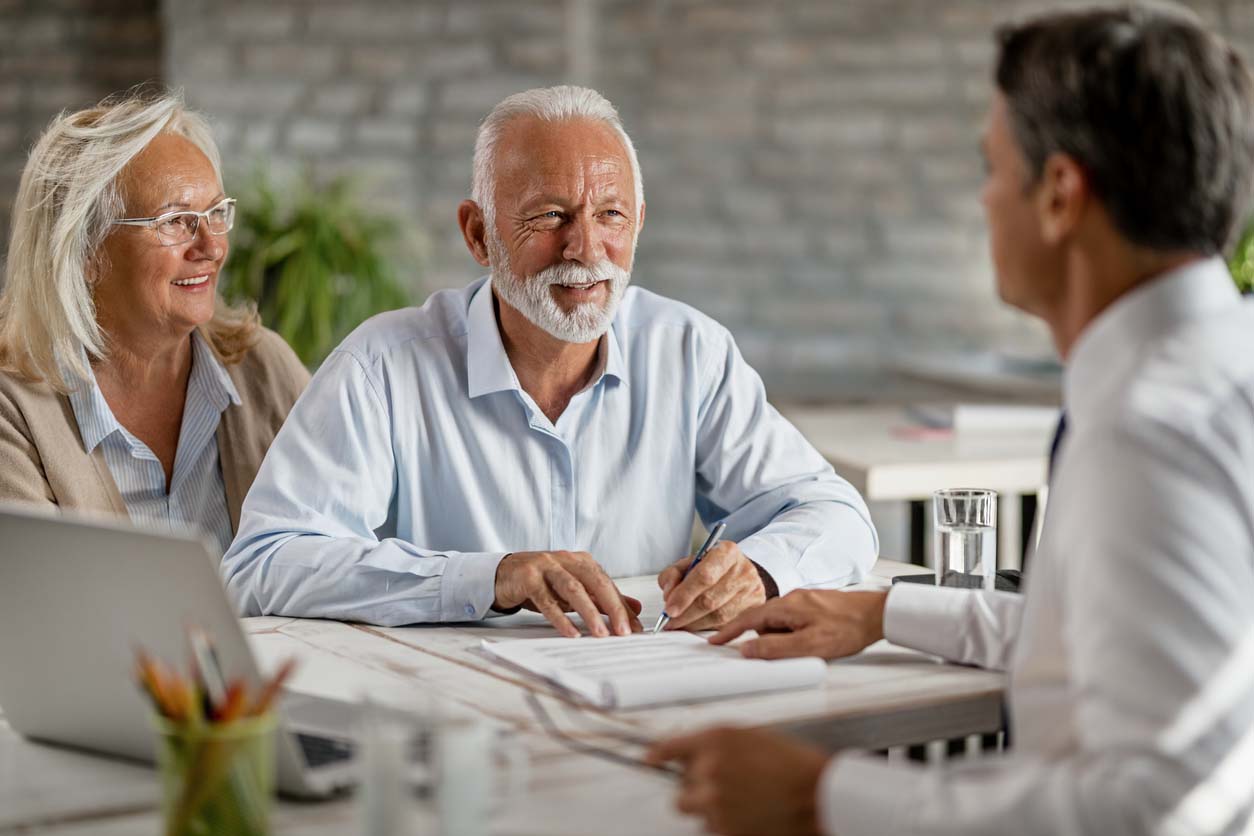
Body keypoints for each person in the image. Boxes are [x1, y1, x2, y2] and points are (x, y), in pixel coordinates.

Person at [647, 5, 1254, 835]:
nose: (983, 198)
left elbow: (1163, 807)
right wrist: (882, 613)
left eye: (992, 168)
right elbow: (1115, 645)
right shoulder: (1219, 365)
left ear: (1060, 196)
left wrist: (821, 799)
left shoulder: (1149, 433)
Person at [222, 85, 878, 635]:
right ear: (479, 234)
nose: (585, 247)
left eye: (610, 214)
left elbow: (837, 516)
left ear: (639, 223)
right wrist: (489, 577)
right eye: (550, 216)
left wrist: (758, 572)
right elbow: (265, 563)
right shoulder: (383, 367)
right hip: (453, 713)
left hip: (647, 707)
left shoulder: (688, 352)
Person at [0, 92, 309, 556]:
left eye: (216, 213)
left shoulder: (263, 367)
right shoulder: (13, 406)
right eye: (175, 221)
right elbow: (34, 591)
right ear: (85, 250)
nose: (212, 247)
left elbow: (335, 544)